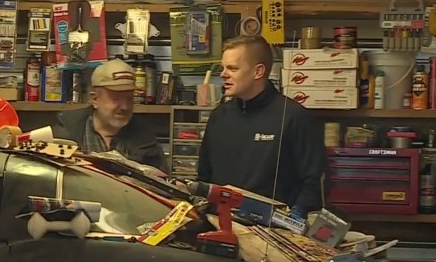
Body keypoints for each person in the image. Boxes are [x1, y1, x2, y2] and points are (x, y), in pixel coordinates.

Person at [197, 35, 328, 218]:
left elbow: (314, 180)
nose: (223, 74)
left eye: (233, 68)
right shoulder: (219, 116)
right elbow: (204, 176)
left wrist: (296, 217)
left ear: (258, 72)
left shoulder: (293, 116)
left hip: (273, 231)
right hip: (221, 224)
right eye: (223, 67)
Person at [51, 58, 169, 173]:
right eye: (116, 99)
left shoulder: (146, 140)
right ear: (95, 99)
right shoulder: (65, 134)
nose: (125, 106)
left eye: (129, 99)